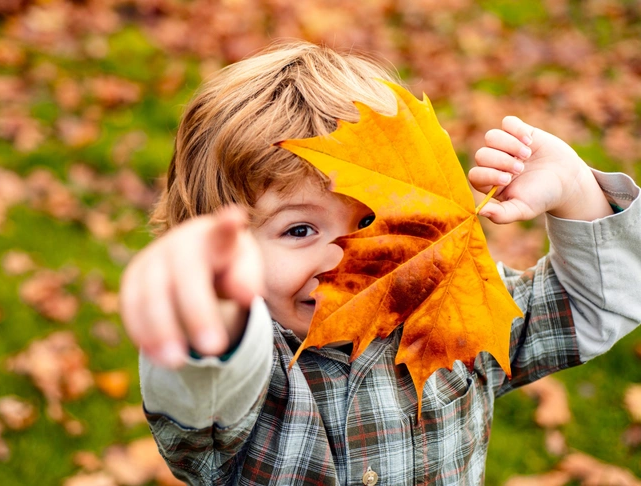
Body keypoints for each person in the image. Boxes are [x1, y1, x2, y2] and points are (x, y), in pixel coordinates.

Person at [120, 41, 641, 484]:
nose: (344, 257)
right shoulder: (253, 380)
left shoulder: (452, 310)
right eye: (300, 229)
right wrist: (208, 312)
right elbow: (202, 388)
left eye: (373, 221)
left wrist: (576, 190)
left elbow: (593, 302)